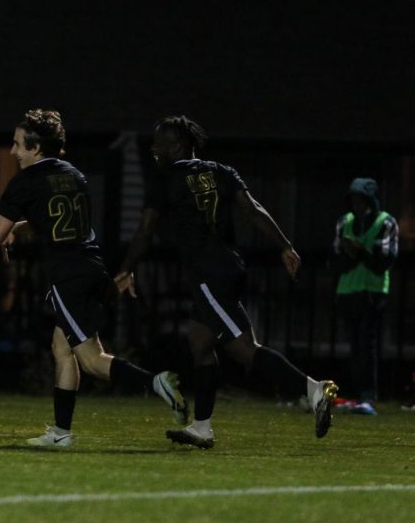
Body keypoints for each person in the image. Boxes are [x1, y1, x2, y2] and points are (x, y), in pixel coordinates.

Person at [0, 109, 187, 448]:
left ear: (35, 149)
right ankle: (61, 434)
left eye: (18, 144)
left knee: (91, 360)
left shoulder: (25, 182)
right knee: (61, 348)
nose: (13, 151)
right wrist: (18, 229)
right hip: (92, 266)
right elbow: (52, 219)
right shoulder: (74, 175)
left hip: (68, 275)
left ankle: (156, 384)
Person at [114, 115, 338, 449]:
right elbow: (253, 209)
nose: (153, 148)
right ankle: (202, 428)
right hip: (227, 266)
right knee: (201, 344)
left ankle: (313, 389)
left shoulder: (166, 178)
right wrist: (285, 246)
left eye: (159, 142)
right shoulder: (220, 171)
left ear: (176, 146)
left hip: (207, 273)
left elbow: (146, 230)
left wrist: (126, 268)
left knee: (245, 350)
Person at [331, 177, 398, 415]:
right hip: (348, 291)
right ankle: (353, 393)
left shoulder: (385, 222)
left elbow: (383, 261)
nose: (357, 205)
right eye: (354, 200)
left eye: (361, 200)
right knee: (353, 345)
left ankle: (367, 396)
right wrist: (355, 254)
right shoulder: (345, 222)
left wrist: (359, 251)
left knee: (367, 345)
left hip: (372, 292)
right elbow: (337, 261)